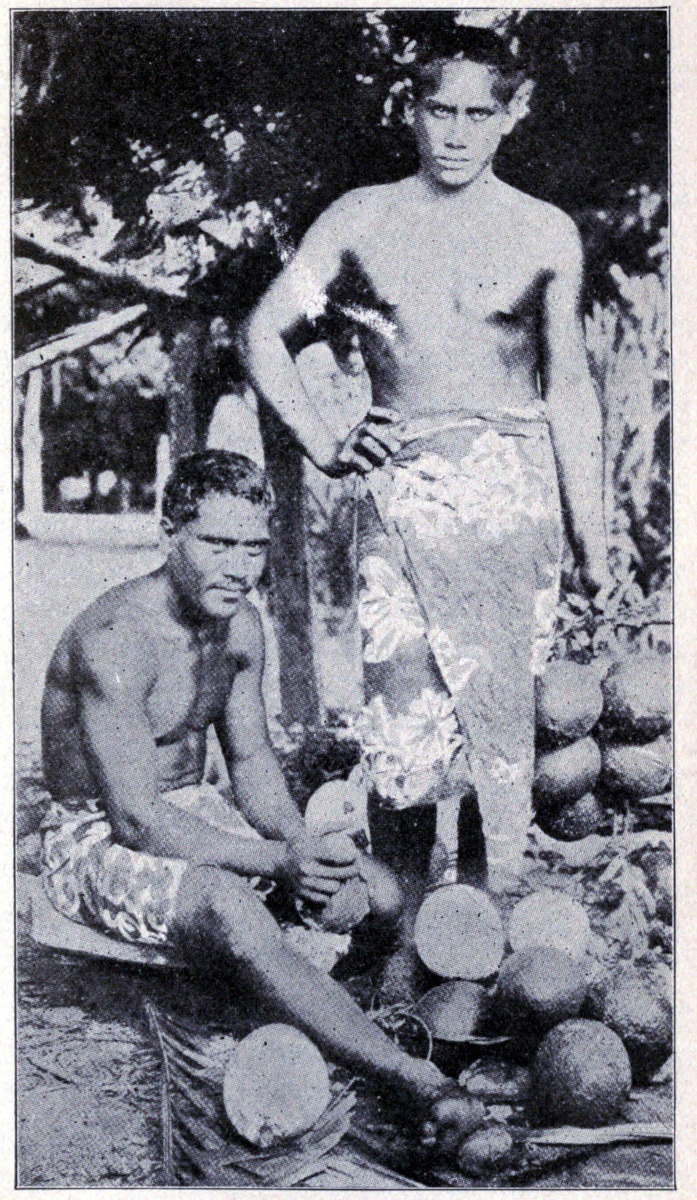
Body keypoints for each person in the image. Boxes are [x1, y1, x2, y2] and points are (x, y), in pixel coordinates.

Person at [240, 25, 611, 896]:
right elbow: (264, 333)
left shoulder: (543, 232)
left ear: (512, 116)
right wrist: (327, 443)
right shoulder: (361, 218)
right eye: (437, 108)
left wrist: (592, 544)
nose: (454, 132)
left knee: (499, 724)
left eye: (477, 113)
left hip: (511, 508)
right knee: (401, 731)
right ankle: (399, 925)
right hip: (400, 494)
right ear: (409, 109)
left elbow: (569, 390)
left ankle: (471, 934)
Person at [39, 449, 481, 1153]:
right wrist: (276, 861)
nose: (239, 566)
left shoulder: (239, 627)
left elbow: (250, 766)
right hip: (94, 836)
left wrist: (303, 845)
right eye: (217, 543)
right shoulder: (114, 639)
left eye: (253, 547)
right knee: (225, 905)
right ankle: (402, 1075)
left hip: (192, 812)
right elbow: (134, 818)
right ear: (167, 532)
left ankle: (317, 1002)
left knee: (379, 894)